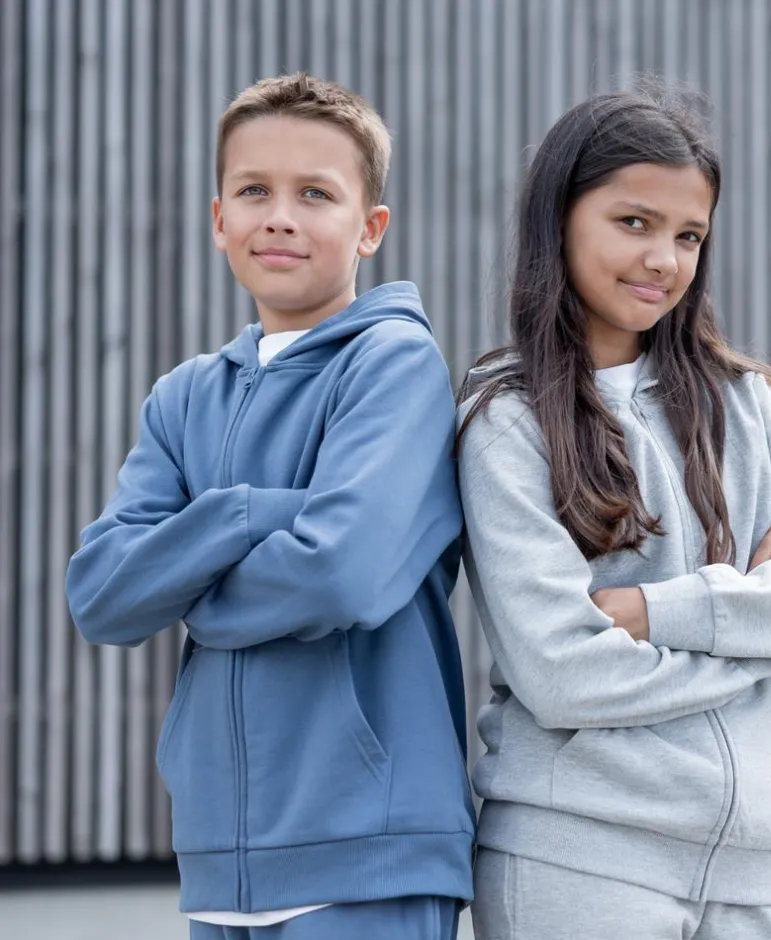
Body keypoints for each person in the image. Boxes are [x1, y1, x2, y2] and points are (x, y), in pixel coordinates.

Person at [456, 86, 771, 940]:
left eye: (689, 236)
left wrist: (664, 611)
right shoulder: (508, 422)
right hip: (579, 859)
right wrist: (764, 631)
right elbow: (563, 674)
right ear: (559, 220)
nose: (664, 259)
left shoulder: (746, 405)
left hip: (763, 866)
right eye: (634, 223)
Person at [66, 72, 474, 940]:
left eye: (315, 194)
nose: (280, 216)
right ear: (220, 220)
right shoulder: (182, 398)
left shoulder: (394, 366)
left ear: (371, 228)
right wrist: (245, 514)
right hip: (220, 864)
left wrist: (187, 583)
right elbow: (100, 595)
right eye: (254, 191)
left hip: (368, 854)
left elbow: (339, 574)